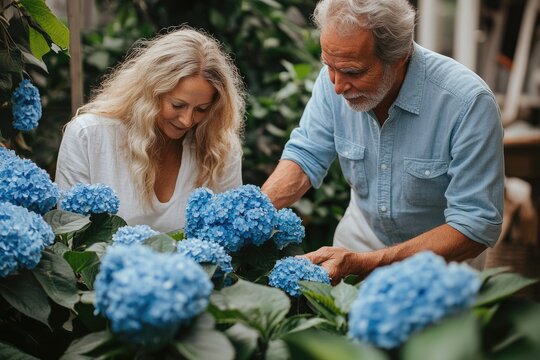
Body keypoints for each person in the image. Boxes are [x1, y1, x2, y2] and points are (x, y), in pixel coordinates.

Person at [261, 0, 504, 282]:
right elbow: (305, 156)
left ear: (399, 56)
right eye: (329, 66)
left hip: (443, 265)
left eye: (354, 72)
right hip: (358, 242)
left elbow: (474, 225)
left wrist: (367, 263)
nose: (337, 86)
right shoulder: (336, 76)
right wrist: (253, 213)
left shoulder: (468, 103)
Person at [55, 27, 245, 232]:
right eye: (178, 105)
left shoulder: (219, 147)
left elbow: (229, 239)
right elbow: (70, 234)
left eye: (201, 109)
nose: (187, 120)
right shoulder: (89, 136)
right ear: (150, 92)